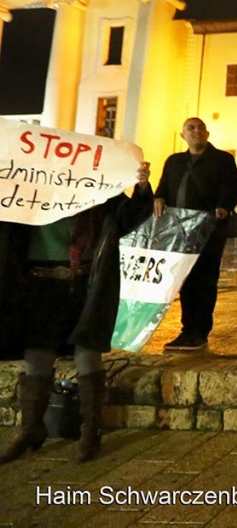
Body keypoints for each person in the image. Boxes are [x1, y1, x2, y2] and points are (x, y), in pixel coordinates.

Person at [0, 162, 153, 464]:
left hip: (86, 284)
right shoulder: (27, 190)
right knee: (37, 357)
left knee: (87, 354)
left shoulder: (97, 193)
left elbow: (128, 217)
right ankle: (31, 428)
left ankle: (91, 430)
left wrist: (143, 187)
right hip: (40, 285)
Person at [154, 117, 237, 351]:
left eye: (200, 127)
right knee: (184, 280)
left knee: (205, 280)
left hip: (208, 229)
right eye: (190, 128)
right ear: (183, 135)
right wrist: (158, 198)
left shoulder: (223, 160)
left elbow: (232, 186)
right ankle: (187, 330)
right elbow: (163, 187)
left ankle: (200, 330)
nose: (196, 131)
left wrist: (223, 206)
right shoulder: (174, 162)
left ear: (207, 133)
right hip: (179, 230)